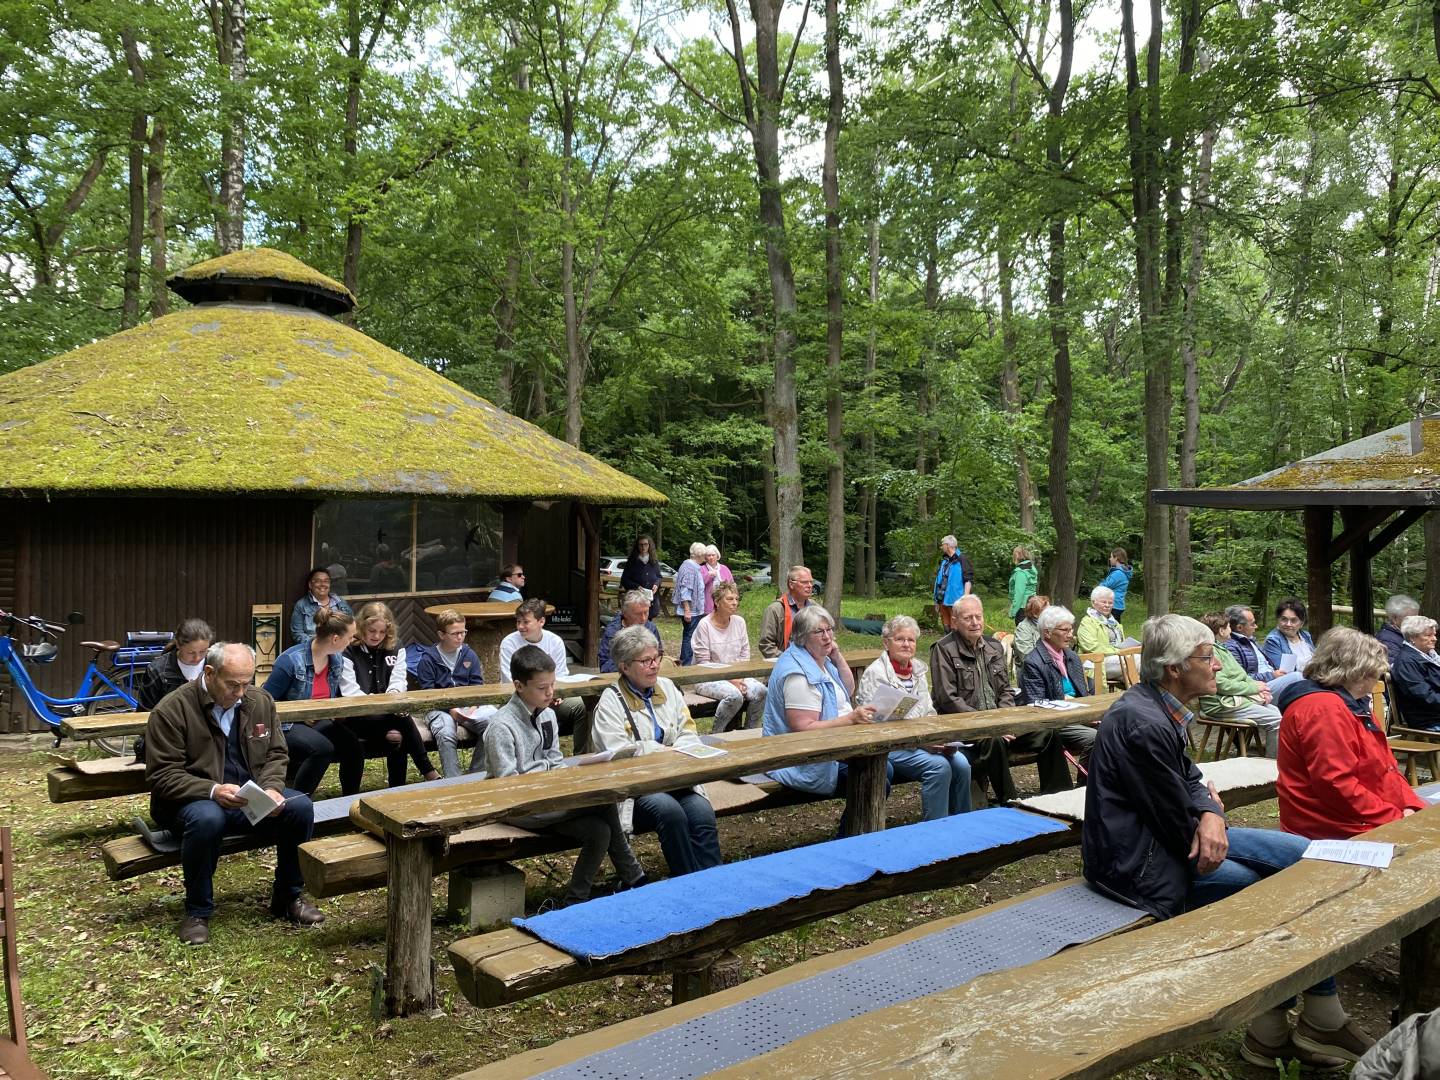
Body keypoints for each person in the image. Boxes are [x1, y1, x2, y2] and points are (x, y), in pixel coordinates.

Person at [1083, 613, 1372, 1068]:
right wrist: (1209, 811)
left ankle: (1281, 1027)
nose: (1218, 665)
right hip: (1139, 868)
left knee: (1309, 859)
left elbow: (1193, 779)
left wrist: (1208, 808)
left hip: (1161, 844)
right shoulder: (1145, 723)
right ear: (1175, 668)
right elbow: (1181, 825)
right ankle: (1307, 1021)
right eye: (1207, 656)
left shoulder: (1158, 707)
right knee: (1281, 886)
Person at [145, 642, 322, 945]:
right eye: (233, 685)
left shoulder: (259, 701)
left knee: (301, 807)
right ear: (210, 673)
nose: (241, 692)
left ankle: (288, 897)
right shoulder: (172, 709)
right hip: (190, 801)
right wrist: (211, 790)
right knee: (208, 819)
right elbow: (163, 776)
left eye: (247, 683)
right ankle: (198, 910)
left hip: (246, 799)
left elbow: (277, 754)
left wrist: (271, 790)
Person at [484, 644, 648, 907]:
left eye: (552, 684)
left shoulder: (548, 715)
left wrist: (569, 782)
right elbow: (507, 785)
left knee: (599, 831)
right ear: (518, 686)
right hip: (518, 807)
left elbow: (555, 761)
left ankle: (575, 901)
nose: (550, 692)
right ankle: (635, 876)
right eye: (542, 688)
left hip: (551, 798)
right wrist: (552, 789)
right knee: (603, 800)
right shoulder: (502, 726)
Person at [592, 626, 722, 876]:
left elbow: (688, 731)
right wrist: (663, 752)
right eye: (645, 661)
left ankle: (714, 879)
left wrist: (677, 751)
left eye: (657, 657)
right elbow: (619, 753)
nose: (654, 665)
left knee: (702, 812)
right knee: (670, 813)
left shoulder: (668, 688)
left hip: (677, 778)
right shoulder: (610, 701)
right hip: (638, 787)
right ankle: (687, 880)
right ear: (624, 666)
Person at [1276, 627, 1422, 840]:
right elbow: (1335, 784)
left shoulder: (1352, 702)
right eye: (1375, 673)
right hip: (1335, 824)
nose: (1377, 679)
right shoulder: (1323, 708)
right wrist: (1395, 817)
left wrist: (1411, 804)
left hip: (1367, 813)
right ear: (1358, 672)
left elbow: (1386, 767)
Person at [763, 605, 889, 835]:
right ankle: (851, 837)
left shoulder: (819, 659)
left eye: (829, 629)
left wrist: (837, 655)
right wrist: (850, 719)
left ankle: (856, 833)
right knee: (875, 777)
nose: (827, 636)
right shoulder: (798, 674)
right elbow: (803, 729)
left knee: (882, 768)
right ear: (802, 638)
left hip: (835, 744)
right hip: (803, 757)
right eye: (819, 632)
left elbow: (848, 688)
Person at [931, 595, 1071, 799]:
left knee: (1047, 734)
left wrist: (1005, 721)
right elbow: (948, 699)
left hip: (1001, 724)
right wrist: (990, 725)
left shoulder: (993, 646)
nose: (975, 622)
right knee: (994, 741)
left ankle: (1059, 797)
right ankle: (1011, 801)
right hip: (966, 729)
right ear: (954, 621)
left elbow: (1006, 690)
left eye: (978, 616)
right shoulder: (943, 649)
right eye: (968, 618)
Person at [856, 613, 971, 819]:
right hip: (889, 745)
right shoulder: (876, 673)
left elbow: (929, 711)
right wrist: (921, 743)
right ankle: (936, 830)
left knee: (961, 764)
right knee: (939, 767)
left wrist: (940, 739)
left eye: (911, 640)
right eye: (900, 639)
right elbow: (876, 724)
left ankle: (961, 822)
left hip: (922, 741)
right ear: (886, 642)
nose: (906, 644)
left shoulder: (917, 670)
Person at [263, 608, 363, 796]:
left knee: (354, 746)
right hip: (287, 724)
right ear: (335, 639)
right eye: (350, 637)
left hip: (320, 721)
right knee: (322, 749)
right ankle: (298, 801)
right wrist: (302, 716)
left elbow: (329, 697)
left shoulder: (337, 660)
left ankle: (351, 803)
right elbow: (266, 702)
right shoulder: (290, 661)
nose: (352, 641)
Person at [341, 602, 439, 788]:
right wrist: (381, 704)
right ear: (362, 627)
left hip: (387, 715)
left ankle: (398, 788)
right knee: (401, 721)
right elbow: (350, 691)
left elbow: (398, 681)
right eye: (372, 631)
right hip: (357, 715)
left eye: (382, 632)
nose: (377, 636)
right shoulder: (349, 650)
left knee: (398, 732)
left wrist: (391, 699)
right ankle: (428, 771)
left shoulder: (396, 647)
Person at [498, 598, 589, 751]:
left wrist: (559, 693)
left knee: (581, 706)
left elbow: (561, 675)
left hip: (551, 697)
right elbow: (510, 680)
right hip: (520, 700)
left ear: (541, 621)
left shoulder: (555, 641)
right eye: (518, 622)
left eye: (526, 622)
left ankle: (581, 756)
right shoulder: (509, 643)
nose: (520, 626)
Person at [414, 609, 491, 777]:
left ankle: (477, 774)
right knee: (446, 732)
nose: (460, 637)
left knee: (494, 724)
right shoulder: (428, 659)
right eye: (455, 633)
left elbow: (477, 686)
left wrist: (472, 707)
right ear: (441, 634)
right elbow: (428, 694)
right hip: (438, 708)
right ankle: (453, 780)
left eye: (463, 632)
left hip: (468, 706)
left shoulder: (469, 654)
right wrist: (451, 709)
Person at [1018, 605, 1097, 767]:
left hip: (1079, 715)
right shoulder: (1033, 662)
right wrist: (1063, 700)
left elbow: (1083, 693)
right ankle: (1085, 787)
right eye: (1065, 630)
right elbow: (1035, 705)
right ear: (1047, 633)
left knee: (1119, 728)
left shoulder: (1071, 656)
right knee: (1096, 738)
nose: (1071, 635)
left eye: (1071, 629)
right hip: (1056, 724)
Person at [1196, 612, 1282, 758]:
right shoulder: (1209, 651)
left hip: (1234, 699)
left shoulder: (1222, 648)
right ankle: (1273, 766)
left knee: (1275, 711)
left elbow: (1242, 676)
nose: (1231, 629)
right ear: (1221, 631)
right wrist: (1254, 689)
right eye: (1229, 626)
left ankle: (1273, 759)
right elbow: (1221, 684)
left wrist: (1260, 688)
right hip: (1220, 704)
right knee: (1277, 721)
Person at [690, 581, 766, 732]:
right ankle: (717, 733)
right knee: (734, 696)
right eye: (730, 599)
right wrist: (731, 680)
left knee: (762, 691)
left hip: (738, 675)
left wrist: (739, 678)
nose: (735, 603)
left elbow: (745, 655)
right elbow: (704, 663)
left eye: (736, 599)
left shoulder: (740, 622)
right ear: (717, 602)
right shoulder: (704, 625)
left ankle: (749, 731)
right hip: (707, 677)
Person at [136, 618, 215, 711]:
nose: (197, 658)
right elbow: (145, 711)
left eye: (202, 651)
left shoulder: (215, 664)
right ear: (178, 644)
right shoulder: (157, 670)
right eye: (191, 653)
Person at [1390, 615, 1440, 730]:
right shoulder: (1406, 662)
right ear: (1412, 637)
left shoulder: (1431, 656)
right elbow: (1424, 696)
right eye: (1428, 635)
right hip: (1429, 720)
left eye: (1434, 634)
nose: (1434, 639)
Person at [759, 565, 815, 658]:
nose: (810, 586)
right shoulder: (775, 609)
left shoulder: (815, 608)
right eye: (805, 582)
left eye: (811, 582)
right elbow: (766, 645)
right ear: (791, 584)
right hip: (787, 664)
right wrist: (788, 659)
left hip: (814, 661)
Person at [599, 590, 661, 673]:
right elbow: (605, 666)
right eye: (638, 614)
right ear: (625, 614)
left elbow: (659, 653)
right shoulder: (613, 632)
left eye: (646, 613)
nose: (643, 618)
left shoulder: (650, 627)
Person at [1075, 585, 1125, 686]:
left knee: (1146, 663)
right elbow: (1090, 646)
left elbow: (1122, 644)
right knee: (1136, 661)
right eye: (1104, 602)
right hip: (1096, 662)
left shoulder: (1114, 623)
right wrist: (1117, 651)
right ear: (1093, 603)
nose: (1107, 605)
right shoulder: (1087, 622)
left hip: (1117, 659)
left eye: (1110, 602)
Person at [289, 566, 354, 645]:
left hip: (340, 647)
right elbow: (297, 634)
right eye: (318, 581)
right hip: (313, 650)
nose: (323, 584)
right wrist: (318, 645)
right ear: (310, 585)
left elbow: (351, 624)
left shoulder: (340, 602)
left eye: (326, 581)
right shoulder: (301, 605)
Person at [673, 542, 707, 665]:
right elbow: (685, 591)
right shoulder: (690, 569)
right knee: (690, 636)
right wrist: (687, 610)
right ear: (699, 555)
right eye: (704, 554)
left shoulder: (690, 566)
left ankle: (686, 661)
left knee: (690, 635)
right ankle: (686, 663)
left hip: (692, 610)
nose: (705, 557)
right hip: (690, 611)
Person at [1263, 598, 1315, 676]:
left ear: (1302, 623)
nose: (1288, 624)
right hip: (1293, 682)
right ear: (1278, 619)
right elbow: (1284, 673)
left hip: (1312, 677)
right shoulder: (1273, 640)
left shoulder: (1305, 635)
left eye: (1293, 620)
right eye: (1284, 619)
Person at [932, 535, 972, 631]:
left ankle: (957, 644)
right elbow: (939, 580)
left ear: (947, 545)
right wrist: (936, 600)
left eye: (943, 545)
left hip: (955, 600)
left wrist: (965, 597)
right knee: (946, 627)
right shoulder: (944, 561)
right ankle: (947, 643)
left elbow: (968, 580)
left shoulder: (962, 559)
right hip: (942, 599)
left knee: (955, 627)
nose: (941, 547)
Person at [619, 535, 663, 619]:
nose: (643, 547)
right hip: (635, 599)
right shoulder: (632, 562)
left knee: (648, 622)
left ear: (649, 545)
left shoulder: (653, 561)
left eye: (646, 544)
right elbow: (624, 580)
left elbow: (659, 577)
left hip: (651, 599)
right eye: (641, 544)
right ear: (637, 546)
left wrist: (656, 584)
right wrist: (636, 587)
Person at [1378, 594, 1420, 668]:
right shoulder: (1387, 640)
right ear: (1395, 619)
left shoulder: (1404, 634)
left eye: (1416, 618)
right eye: (1410, 618)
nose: (1415, 622)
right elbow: (1398, 669)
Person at [1011, 593, 1049, 669]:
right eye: (1047, 611)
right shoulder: (1023, 628)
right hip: (1030, 672)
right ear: (1036, 614)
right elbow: (1027, 657)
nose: (1052, 613)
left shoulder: (1050, 625)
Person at [1098, 548, 1133, 618]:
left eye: (1111, 557)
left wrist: (1098, 586)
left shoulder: (1118, 573)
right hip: (1117, 605)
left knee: (1110, 628)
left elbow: (1105, 586)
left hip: (1114, 605)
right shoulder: (1121, 572)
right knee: (1115, 627)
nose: (1110, 559)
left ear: (1116, 558)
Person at [701, 544, 735, 616]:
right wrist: (709, 576)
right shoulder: (702, 569)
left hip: (724, 601)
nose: (711, 557)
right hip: (708, 602)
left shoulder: (724, 568)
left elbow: (732, 584)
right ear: (705, 557)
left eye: (713, 555)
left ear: (717, 556)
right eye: (708, 555)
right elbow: (699, 585)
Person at [1008, 547, 1038, 625]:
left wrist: (1013, 612)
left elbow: (1019, 594)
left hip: (1022, 608)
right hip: (1032, 605)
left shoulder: (1020, 572)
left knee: (1022, 634)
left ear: (1017, 556)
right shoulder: (1031, 568)